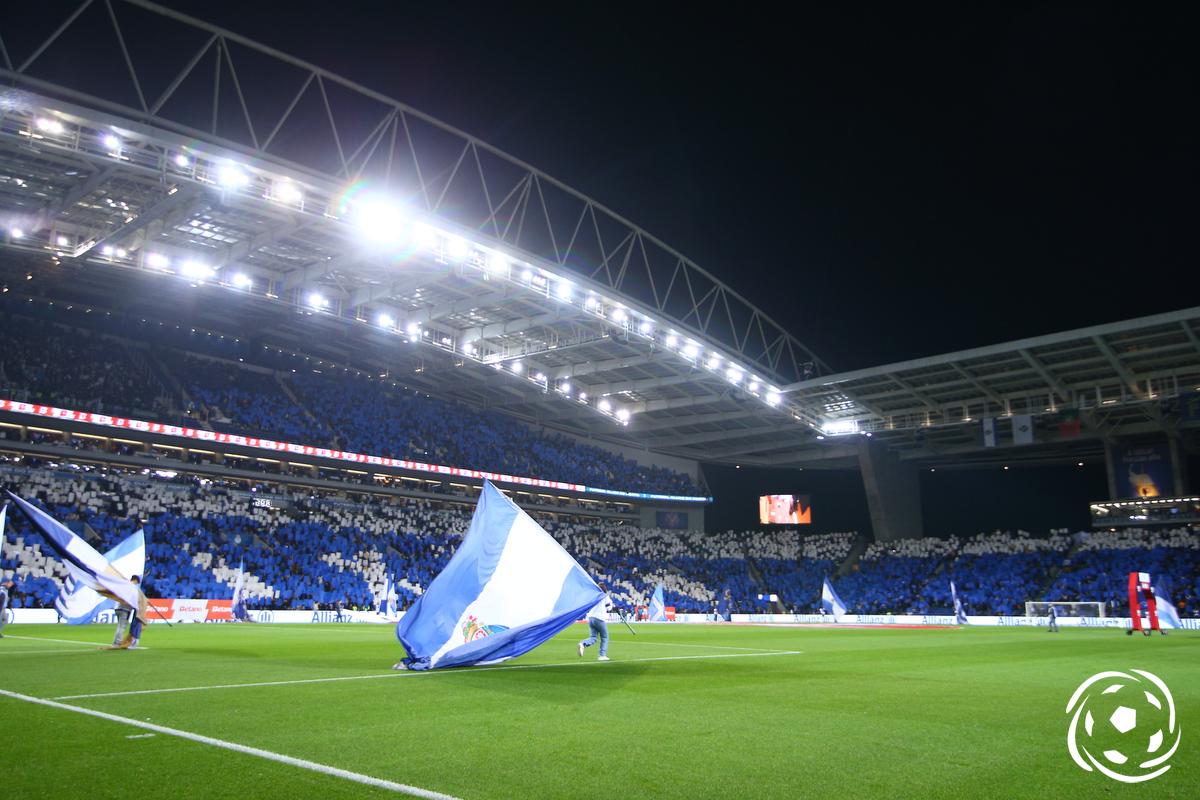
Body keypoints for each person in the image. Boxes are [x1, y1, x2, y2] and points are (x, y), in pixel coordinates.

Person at [578, 582, 612, 661]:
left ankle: (583, 643)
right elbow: (609, 608)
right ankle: (602, 655)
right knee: (604, 637)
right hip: (599, 618)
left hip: (591, 618)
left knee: (593, 637)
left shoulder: (593, 596)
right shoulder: (605, 596)